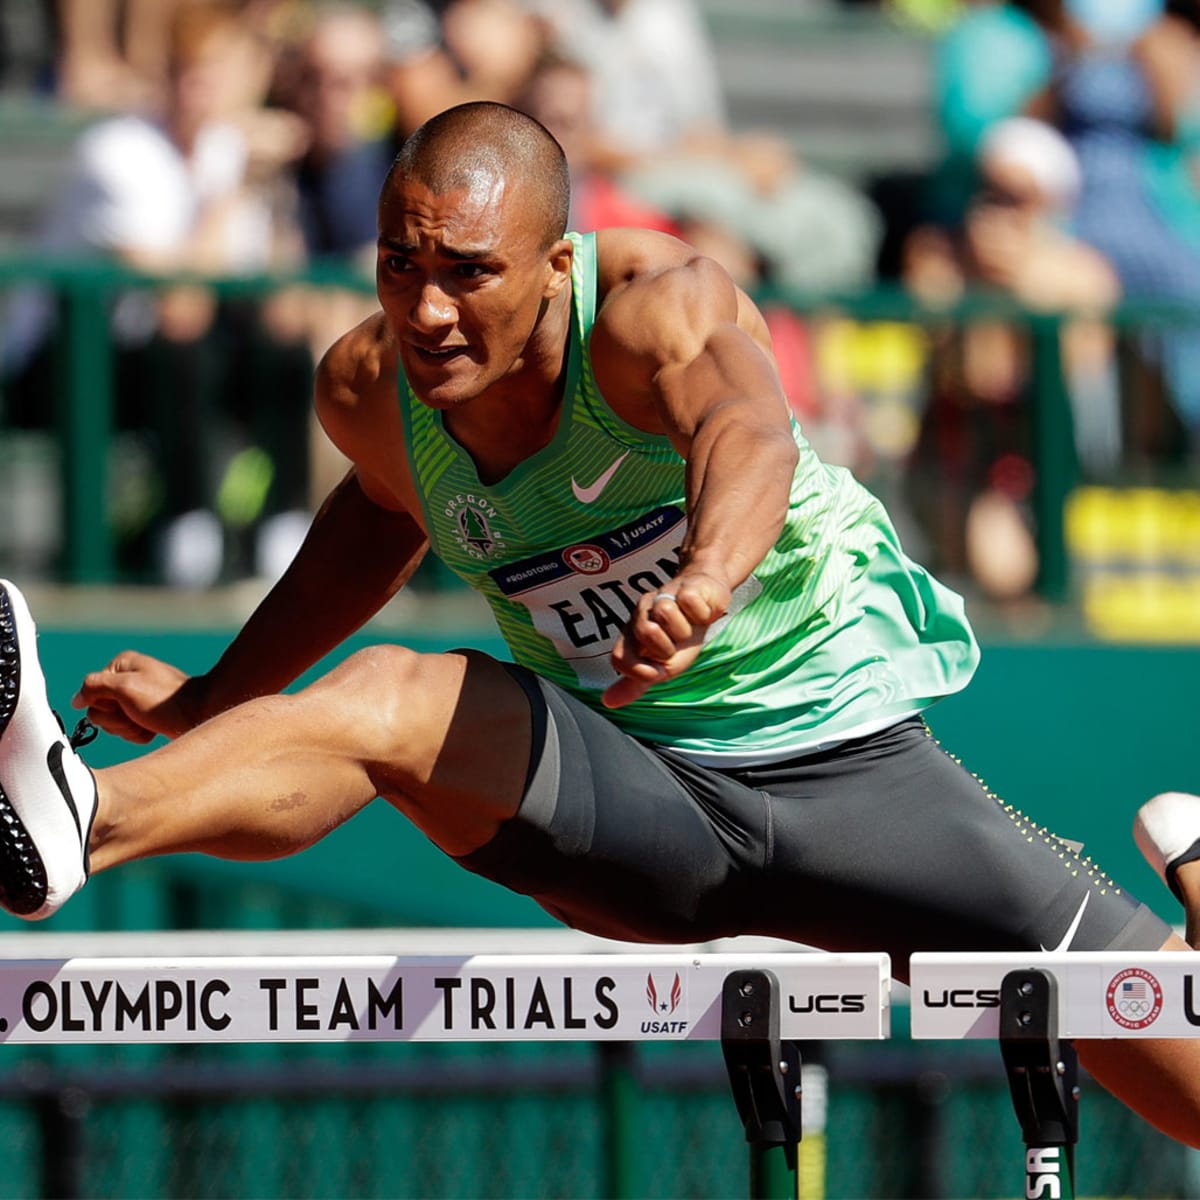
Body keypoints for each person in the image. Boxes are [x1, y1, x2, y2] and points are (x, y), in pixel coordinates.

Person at [0, 102, 1198, 1147]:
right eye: (396, 266)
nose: (426, 311)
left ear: (558, 262)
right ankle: (82, 821)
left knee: (1152, 1028)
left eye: (468, 272)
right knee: (399, 698)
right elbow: (371, 533)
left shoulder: (648, 315)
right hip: (633, 792)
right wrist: (212, 701)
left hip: (852, 780)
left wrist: (705, 581)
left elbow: (749, 433)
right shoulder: (371, 392)